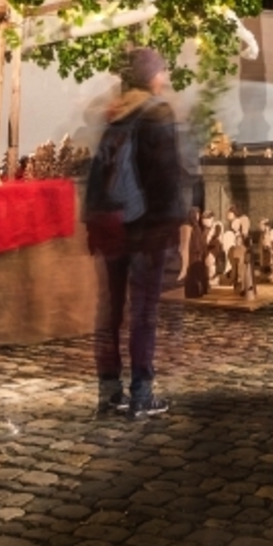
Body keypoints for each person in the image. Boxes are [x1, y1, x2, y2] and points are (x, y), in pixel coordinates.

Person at [84, 47, 194, 420]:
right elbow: (165, 176)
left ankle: (109, 393)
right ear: (153, 76)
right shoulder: (156, 112)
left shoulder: (115, 114)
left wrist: (93, 224)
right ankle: (142, 393)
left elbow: (98, 174)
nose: (164, 78)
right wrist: (175, 224)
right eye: (162, 71)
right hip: (145, 227)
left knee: (110, 310)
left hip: (110, 225)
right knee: (144, 310)